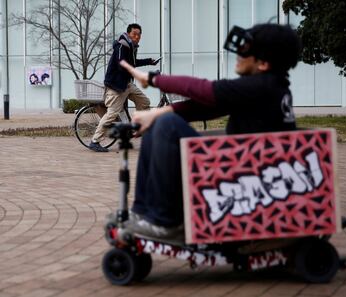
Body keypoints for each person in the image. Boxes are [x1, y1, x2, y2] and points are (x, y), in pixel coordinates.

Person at [119, 23, 302, 239]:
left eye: (245, 50)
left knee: (168, 125)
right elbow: (210, 106)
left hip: (240, 180)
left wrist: (152, 79)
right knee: (160, 123)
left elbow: (203, 89)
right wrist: (155, 115)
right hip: (243, 171)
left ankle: (165, 221)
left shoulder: (261, 87)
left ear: (262, 63)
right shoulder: (270, 86)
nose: (238, 54)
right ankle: (143, 213)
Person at [89, 23, 160, 152]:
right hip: (116, 86)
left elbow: (132, 63)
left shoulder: (131, 47)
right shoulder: (122, 46)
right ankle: (95, 141)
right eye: (134, 34)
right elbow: (122, 65)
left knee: (144, 102)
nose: (137, 37)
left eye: (139, 35)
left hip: (126, 84)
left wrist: (149, 61)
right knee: (112, 114)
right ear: (128, 34)